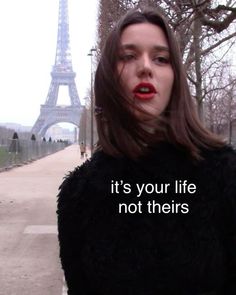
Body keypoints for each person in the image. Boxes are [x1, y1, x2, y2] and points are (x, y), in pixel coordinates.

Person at [57, 7, 236, 295]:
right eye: (128, 56)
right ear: (107, 77)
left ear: (175, 77)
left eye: (161, 58)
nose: (145, 67)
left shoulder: (226, 176)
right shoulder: (79, 195)